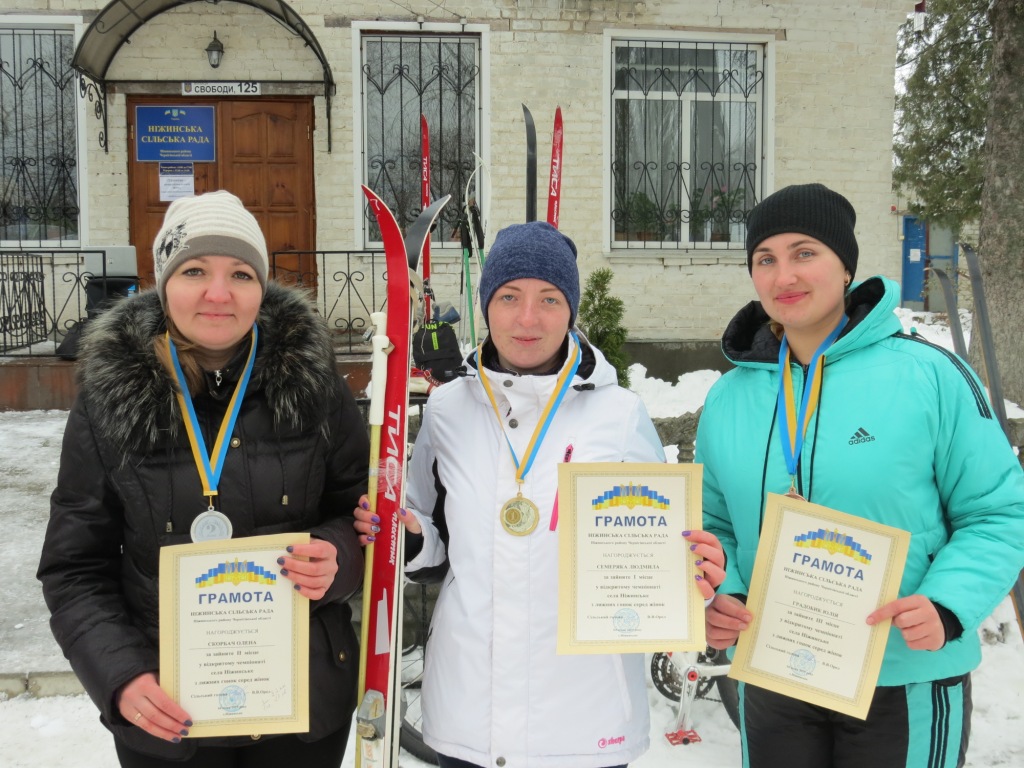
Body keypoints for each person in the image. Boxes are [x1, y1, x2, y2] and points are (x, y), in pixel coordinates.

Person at [354, 221, 724, 768]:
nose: (528, 319)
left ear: (571, 309)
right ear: (486, 306)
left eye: (549, 298)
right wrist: (409, 538)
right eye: (509, 297)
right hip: (467, 712)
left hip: (586, 717)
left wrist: (694, 570)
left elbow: (662, 553)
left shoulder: (619, 415)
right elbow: (433, 544)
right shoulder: (448, 409)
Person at [37, 191, 370, 767]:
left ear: (261, 288)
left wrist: (338, 557)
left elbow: (367, 518)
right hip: (168, 716)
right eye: (195, 270)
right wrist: (119, 676)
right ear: (165, 282)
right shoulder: (109, 398)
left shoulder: (316, 385)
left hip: (302, 707)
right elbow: (75, 567)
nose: (219, 293)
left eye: (240, 273)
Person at [696, 183, 1024, 768]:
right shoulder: (730, 397)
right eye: (764, 260)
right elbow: (714, 521)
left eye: (804, 253)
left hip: (900, 673)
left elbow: (997, 511)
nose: (783, 275)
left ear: (845, 266)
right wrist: (728, 592)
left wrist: (947, 605)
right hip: (776, 667)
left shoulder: (929, 376)